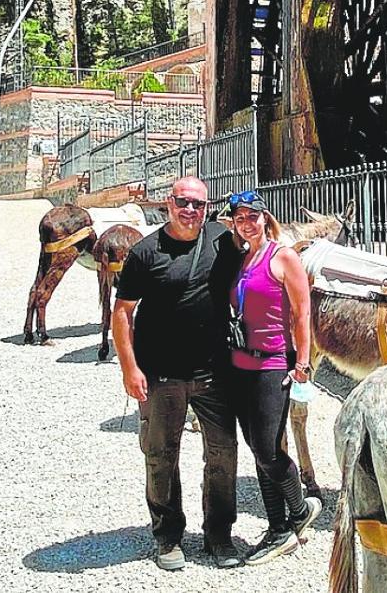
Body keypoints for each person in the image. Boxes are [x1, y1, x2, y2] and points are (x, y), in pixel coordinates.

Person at [111, 176, 243, 570]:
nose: (191, 210)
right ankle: (168, 536)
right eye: (183, 202)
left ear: (208, 208)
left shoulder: (222, 240)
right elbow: (122, 312)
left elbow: (263, 256)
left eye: (199, 205)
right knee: (161, 457)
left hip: (214, 373)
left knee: (222, 455)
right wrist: (129, 367)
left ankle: (219, 535)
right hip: (161, 373)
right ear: (168, 203)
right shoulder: (145, 252)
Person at [225, 190, 323, 565]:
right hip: (241, 364)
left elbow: (302, 314)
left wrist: (302, 363)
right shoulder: (241, 258)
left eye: (253, 216)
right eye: (240, 218)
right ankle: (278, 526)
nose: (247, 223)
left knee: (267, 448)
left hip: (272, 365)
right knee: (258, 448)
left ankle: (298, 511)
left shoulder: (282, 257)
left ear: (266, 218)